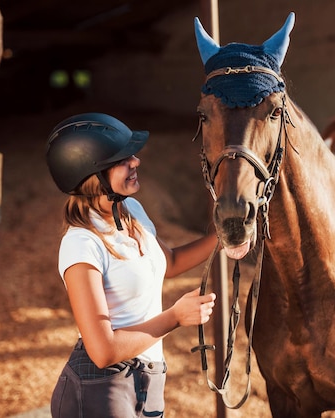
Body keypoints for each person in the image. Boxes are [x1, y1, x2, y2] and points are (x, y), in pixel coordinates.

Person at [45, 112, 218, 418]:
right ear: (91, 176)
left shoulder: (131, 211)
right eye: (122, 159)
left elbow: (170, 262)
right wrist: (176, 317)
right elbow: (103, 351)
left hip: (147, 381)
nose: (136, 162)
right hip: (102, 391)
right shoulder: (81, 245)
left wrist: (224, 236)